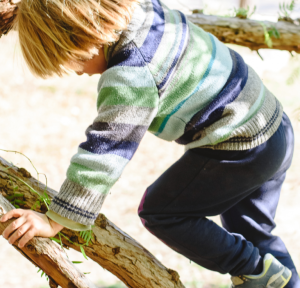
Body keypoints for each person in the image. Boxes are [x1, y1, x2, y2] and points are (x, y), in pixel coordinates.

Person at [0, 0, 297, 287]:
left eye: (73, 58)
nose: (78, 70)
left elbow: (104, 153)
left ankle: (250, 268)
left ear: (86, 33)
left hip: (243, 145)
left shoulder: (131, 74)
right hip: (273, 124)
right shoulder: (144, 11)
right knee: (256, 236)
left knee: (161, 211)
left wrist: (56, 220)